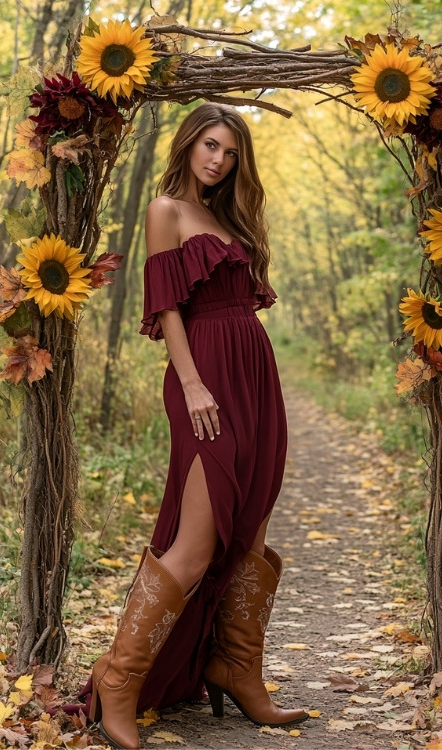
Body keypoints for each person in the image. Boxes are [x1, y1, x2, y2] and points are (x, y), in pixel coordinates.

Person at [88, 102, 308, 749]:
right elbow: (169, 307)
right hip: (204, 373)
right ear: (188, 144)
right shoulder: (167, 210)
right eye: (211, 145)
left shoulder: (226, 214)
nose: (219, 159)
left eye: (231, 152)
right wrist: (190, 385)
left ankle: (237, 666)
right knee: (194, 545)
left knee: (251, 524)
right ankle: (118, 680)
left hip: (254, 374)